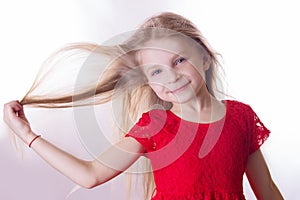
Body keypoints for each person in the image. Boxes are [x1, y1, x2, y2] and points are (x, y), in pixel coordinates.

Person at [3, 12, 283, 200]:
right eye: (156, 71)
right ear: (148, 81)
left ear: (204, 58)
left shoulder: (240, 117)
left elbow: (267, 189)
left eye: (179, 61)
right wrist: (28, 136)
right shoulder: (155, 125)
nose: (171, 76)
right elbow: (90, 175)